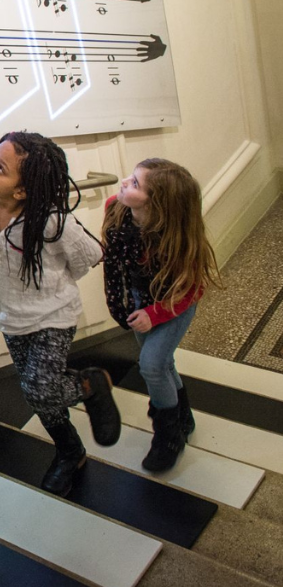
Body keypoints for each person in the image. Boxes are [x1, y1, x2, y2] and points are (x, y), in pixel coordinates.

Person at [0, 131, 120, 497]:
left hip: (52, 317)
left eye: (0, 168)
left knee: (39, 389)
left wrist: (50, 288)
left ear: (22, 191)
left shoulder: (52, 221)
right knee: (39, 394)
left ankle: (89, 385)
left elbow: (89, 256)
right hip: (7, 317)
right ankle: (70, 451)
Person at [102, 159, 219, 472]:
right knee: (163, 363)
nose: (125, 182)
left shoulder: (179, 238)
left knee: (152, 365)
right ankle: (183, 417)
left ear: (159, 203)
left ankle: (168, 436)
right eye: (132, 177)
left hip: (172, 305)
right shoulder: (116, 209)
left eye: (137, 184)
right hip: (141, 302)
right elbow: (116, 258)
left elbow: (191, 290)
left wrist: (155, 315)